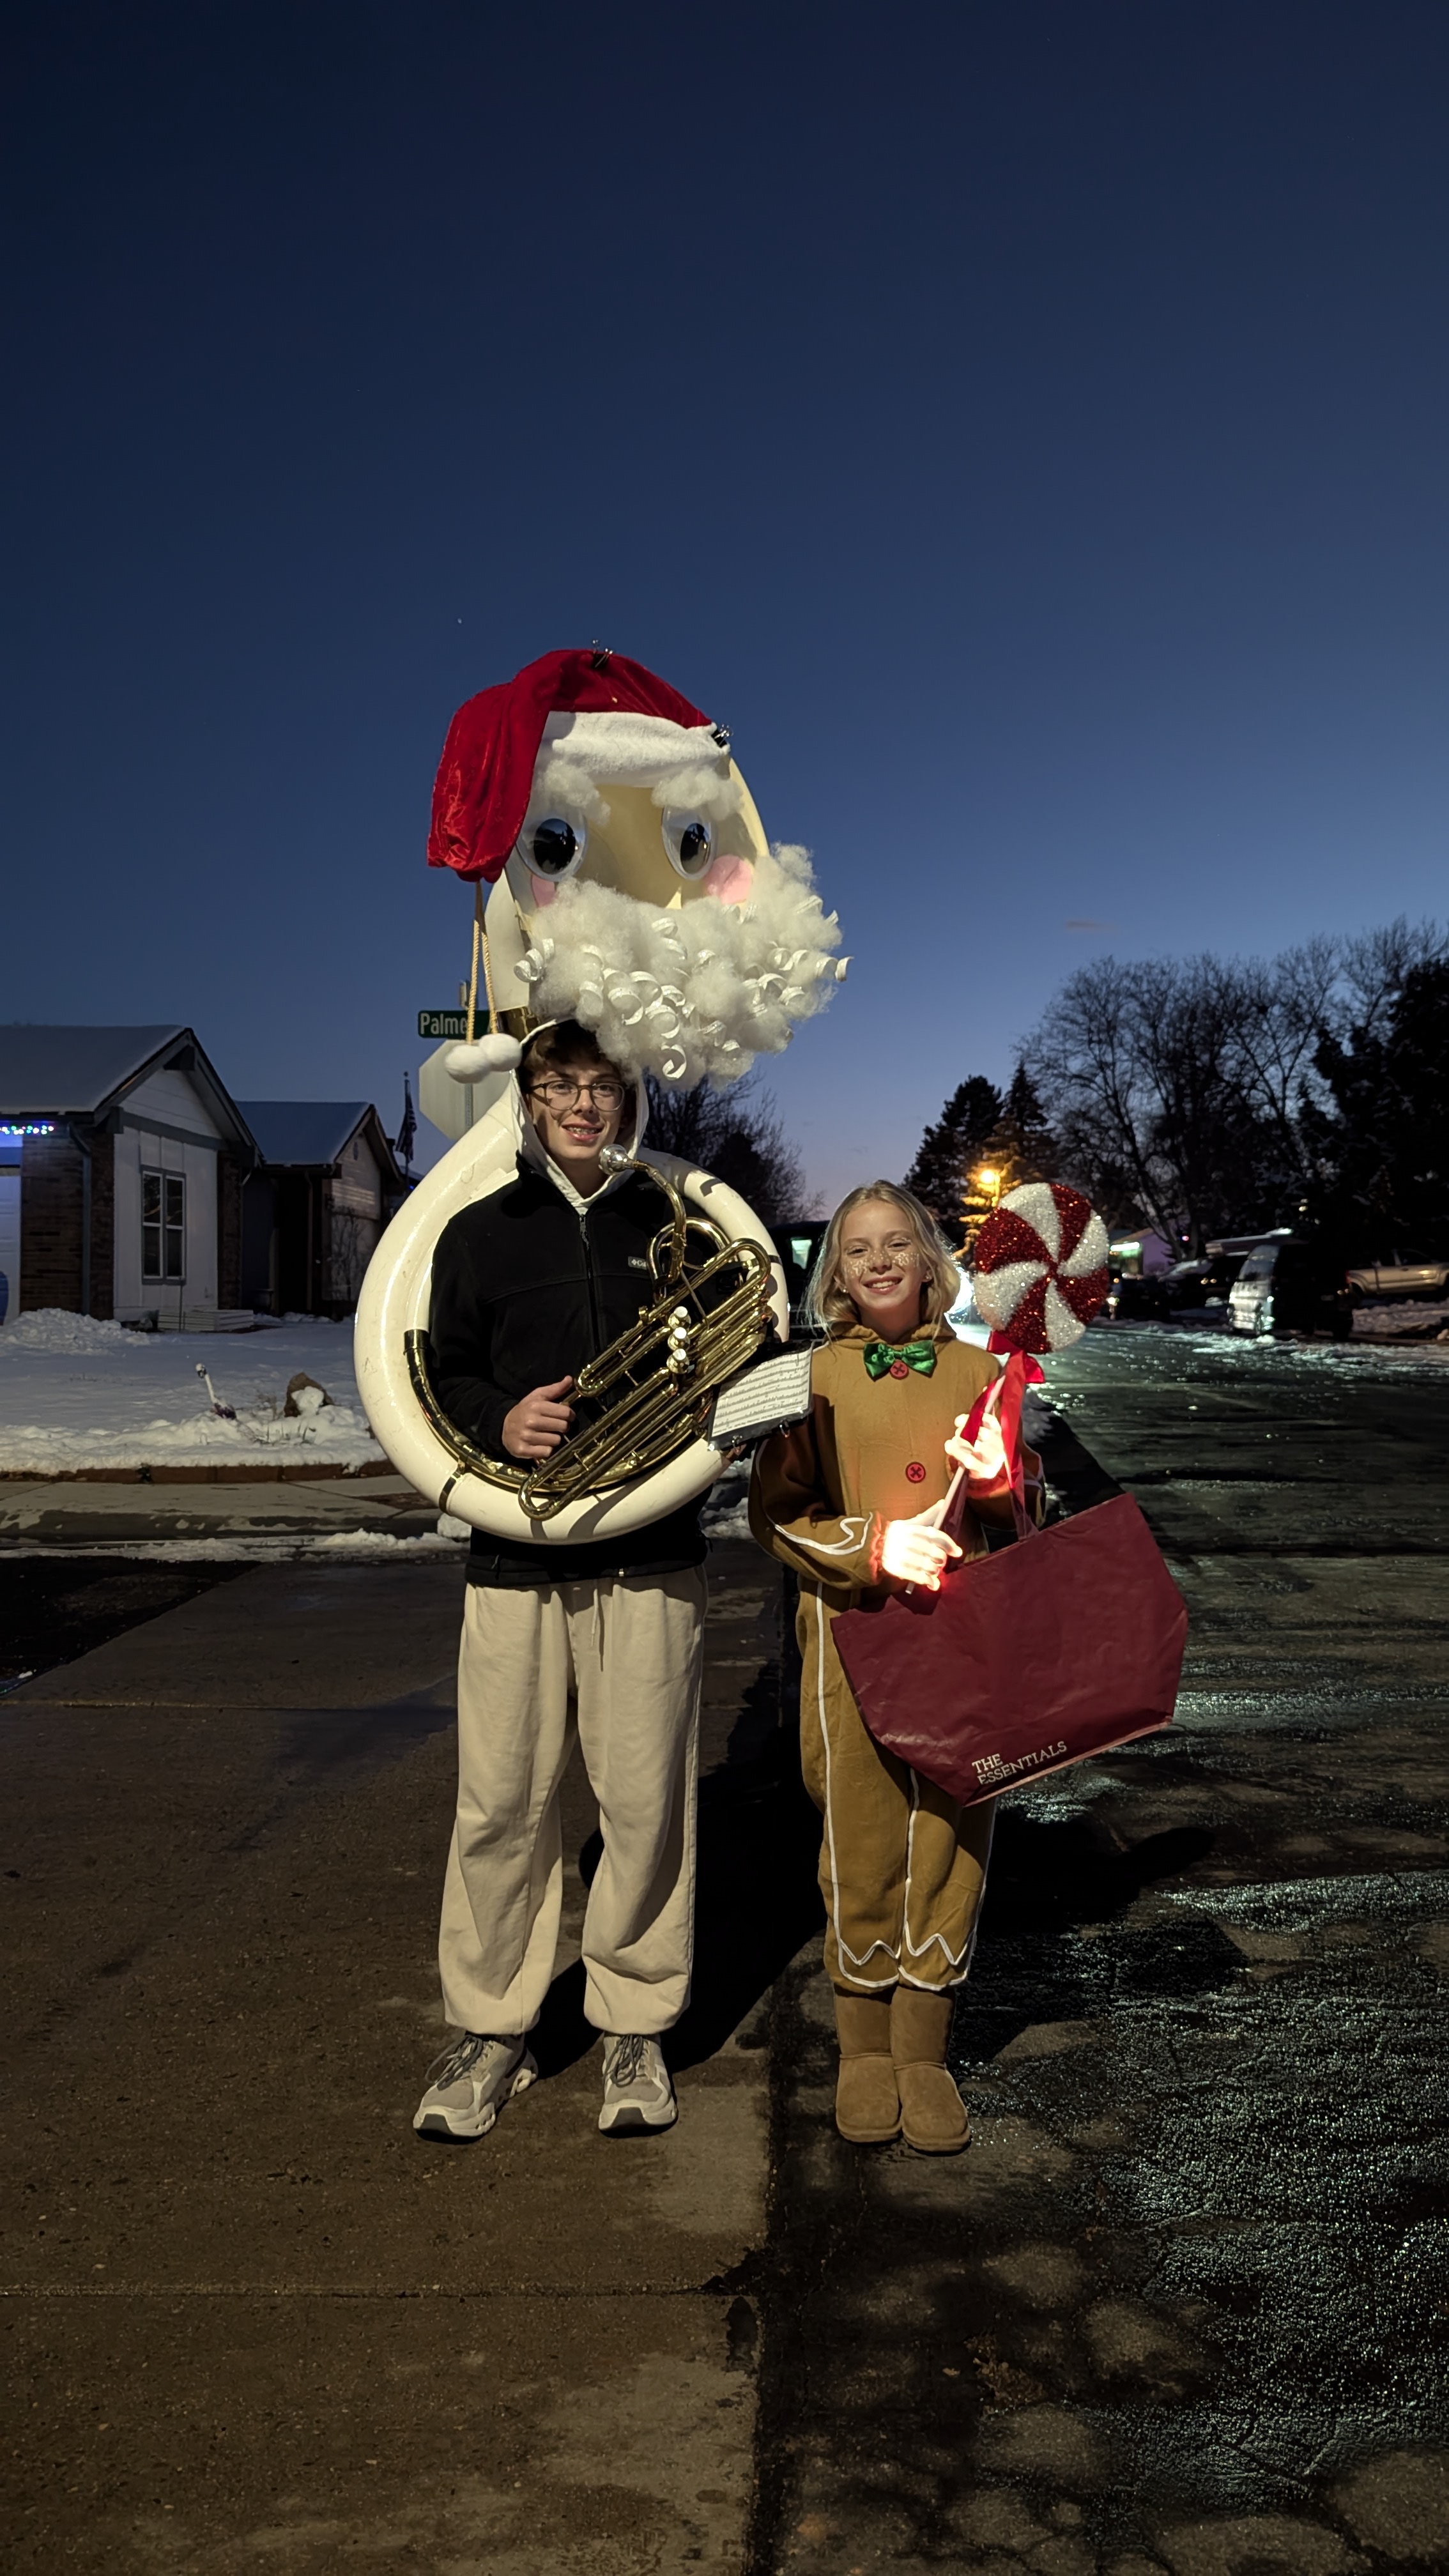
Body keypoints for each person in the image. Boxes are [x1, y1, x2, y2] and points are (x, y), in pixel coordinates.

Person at [412, 1019, 711, 2144]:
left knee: (645, 1802)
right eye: (560, 1084)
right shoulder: (479, 1231)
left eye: (602, 1084)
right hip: (515, 1556)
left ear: (629, 1096)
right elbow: (440, 1374)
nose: (583, 1105)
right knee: (501, 1804)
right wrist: (500, 1418)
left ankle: (635, 2022)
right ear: (529, 1098)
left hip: (652, 1554)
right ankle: (493, 2028)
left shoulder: (670, 1220)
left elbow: (725, 1364)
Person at [749, 1181, 1041, 2154]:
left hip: (962, 1633)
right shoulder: (807, 1377)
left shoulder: (980, 1371)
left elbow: (1018, 1513)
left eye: (896, 1244)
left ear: (928, 1258)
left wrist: (999, 1478)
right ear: (836, 1270)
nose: (878, 1262)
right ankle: (865, 2048)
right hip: (851, 1633)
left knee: (954, 1822)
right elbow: (776, 1515)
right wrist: (872, 1546)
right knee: (861, 1825)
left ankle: (924, 2050)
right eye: (857, 1248)